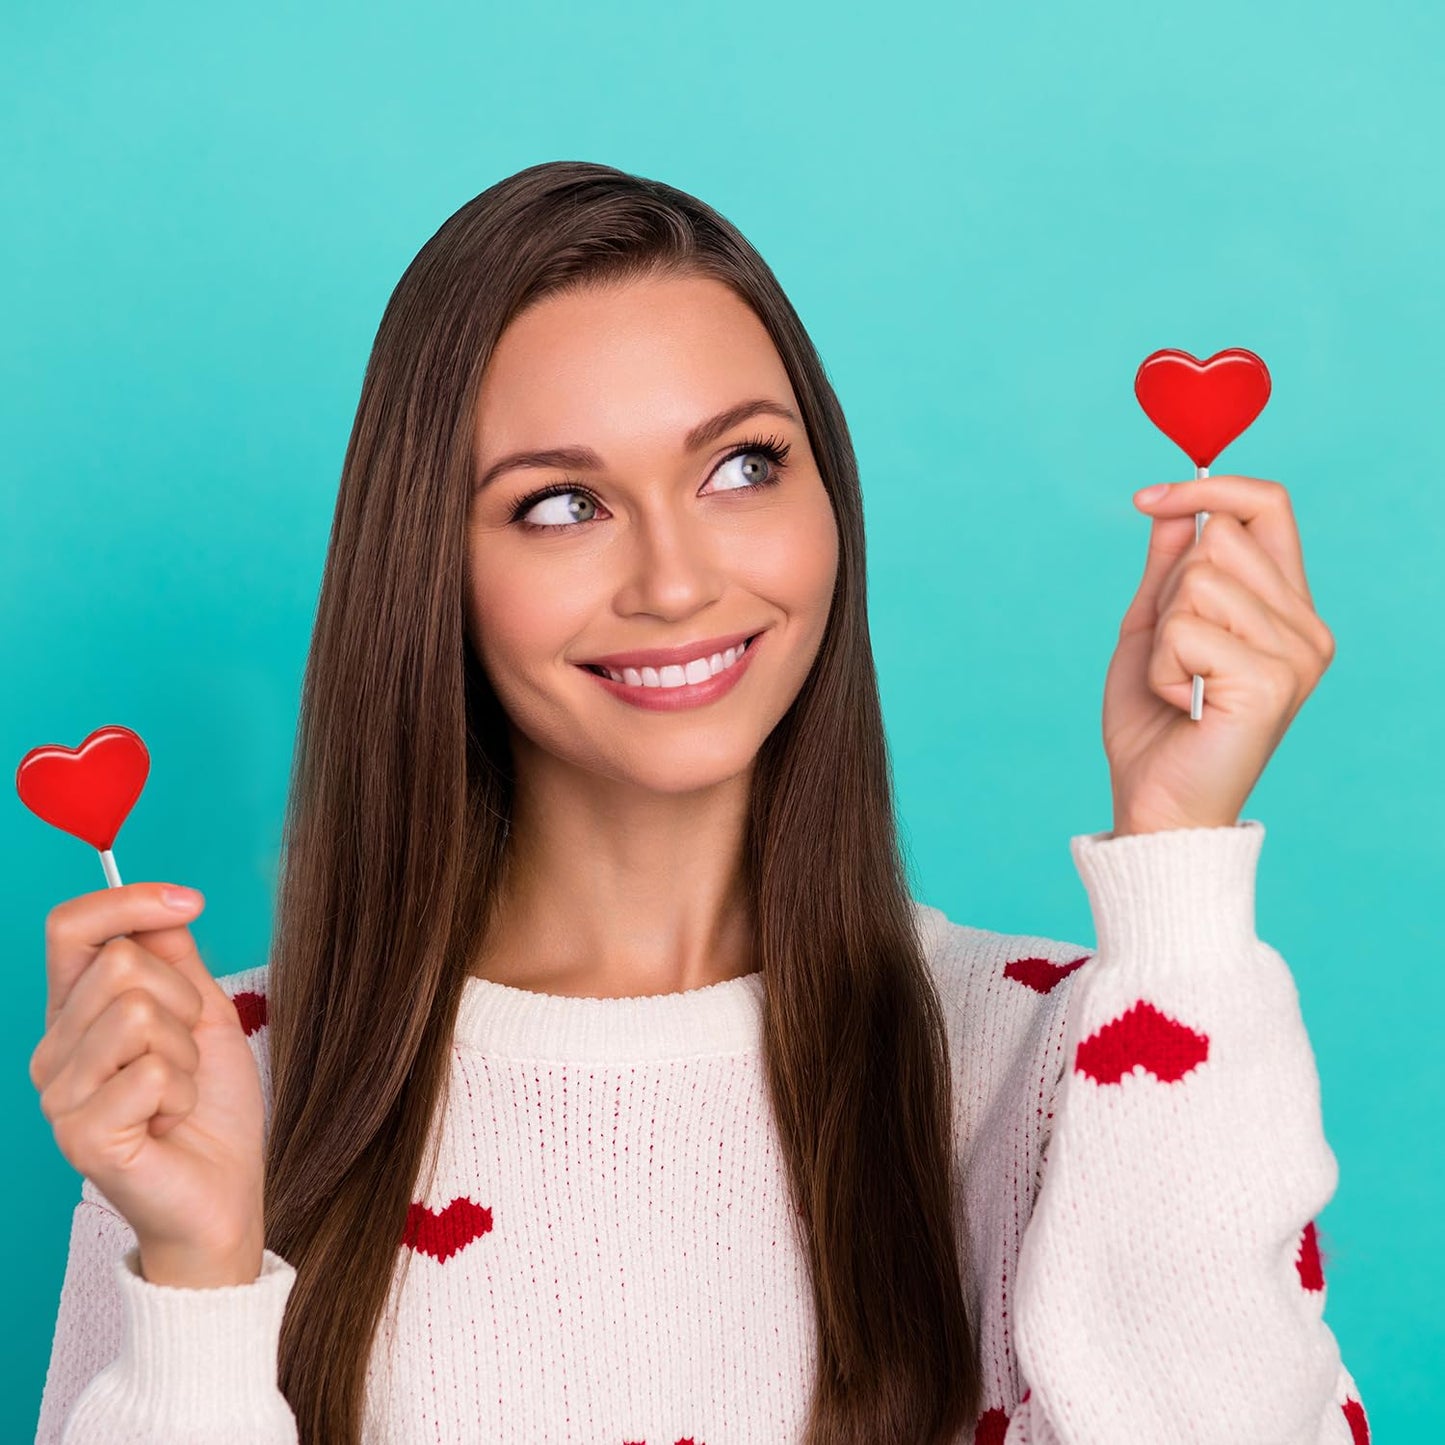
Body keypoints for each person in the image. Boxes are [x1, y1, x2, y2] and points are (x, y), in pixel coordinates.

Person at [31, 160, 1370, 1444]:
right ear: (430, 569)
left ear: (829, 495)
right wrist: (199, 1275)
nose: (675, 580)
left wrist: (1179, 867)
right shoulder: (228, 1081)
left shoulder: (1069, 1052)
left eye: (740, 466)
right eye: (560, 503)